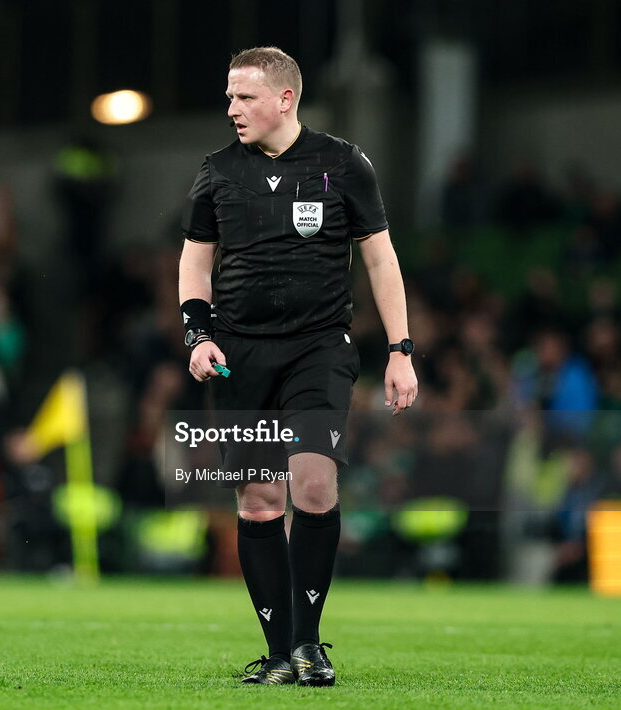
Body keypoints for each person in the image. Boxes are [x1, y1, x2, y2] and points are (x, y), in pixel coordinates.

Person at [178, 47, 418, 686]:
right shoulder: (217, 172)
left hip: (319, 347)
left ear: (285, 99)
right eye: (229, 97)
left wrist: (399, 350)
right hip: (239, 353)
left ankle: (310, 646)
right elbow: (196, 259)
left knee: (313, 484)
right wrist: (197, 335)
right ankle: (279, 651)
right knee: (259, 501)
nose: (233, 109)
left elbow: (381, 259)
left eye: (245, 97)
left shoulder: (342, 163)